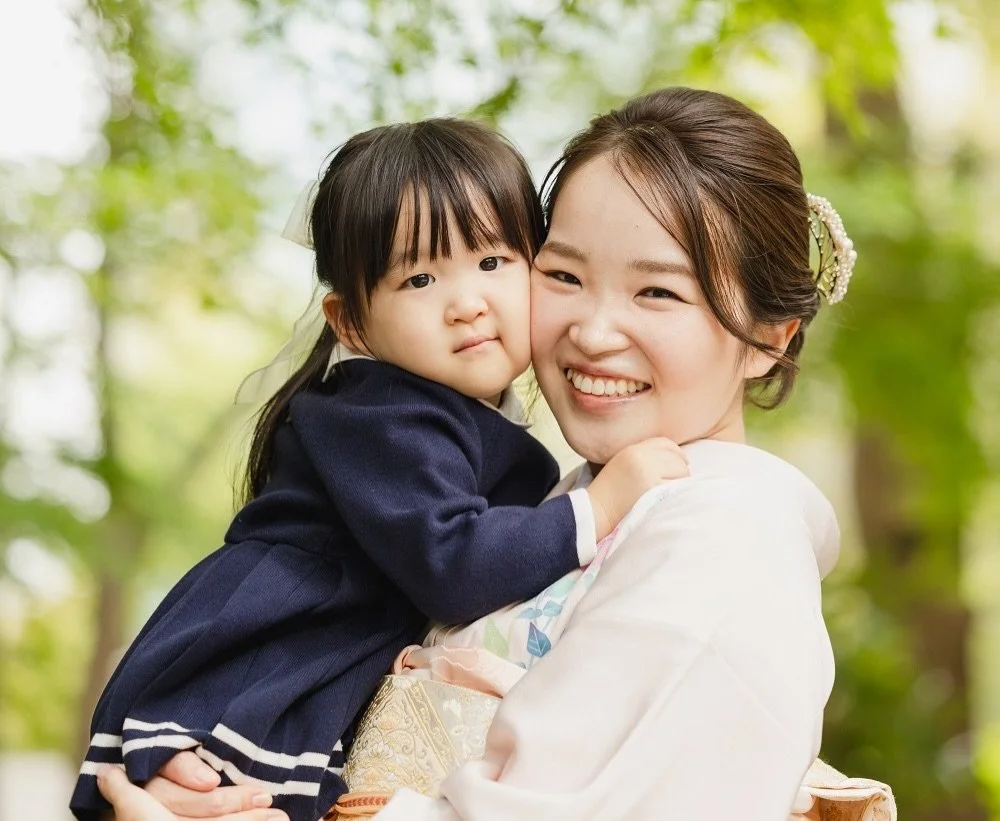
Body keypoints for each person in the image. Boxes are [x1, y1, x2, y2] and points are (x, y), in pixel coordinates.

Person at [94, 88, 894, 821]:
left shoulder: (723, 537)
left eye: (658, 291)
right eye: (564, 274)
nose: (592, 329)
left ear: (767, 337)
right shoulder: (548, 504)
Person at [71, 117, 688, 821]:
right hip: (270, 653)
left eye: (492, 261)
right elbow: (455, 564)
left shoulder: (451, 409)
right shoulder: (385, 413)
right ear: (352, 321)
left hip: (320, 645)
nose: (467, 302)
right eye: (420, 277)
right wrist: (602, 504)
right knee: (223, 797)